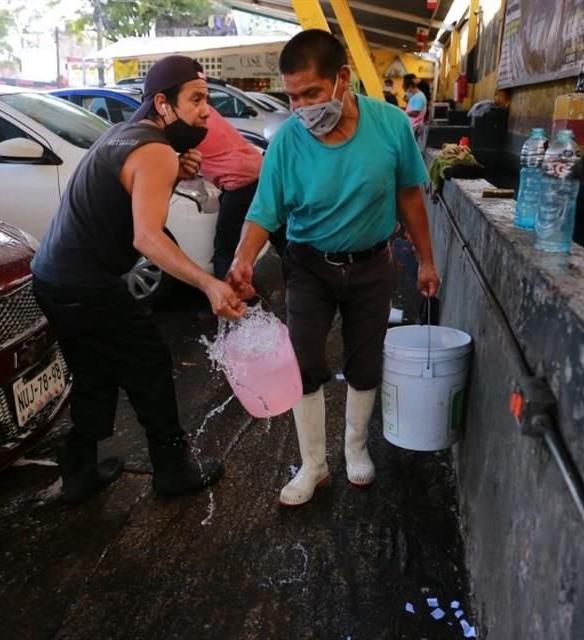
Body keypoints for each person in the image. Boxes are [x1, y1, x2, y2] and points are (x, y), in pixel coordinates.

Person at [227, 30, 441, 506]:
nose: (302, 107)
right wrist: (242, 259)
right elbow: (264, 211)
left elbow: (410, 195)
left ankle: (356, 448)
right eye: (293, 96)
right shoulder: (287, 141)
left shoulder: (390, 125)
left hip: (372, 266)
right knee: (303, 362)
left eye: (312, 93)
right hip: (309, 266)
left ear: (343, 79)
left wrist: (426, 260)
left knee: (364, 362)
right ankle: (314, 466)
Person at [31, 55, 245, 503]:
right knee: (148, 363)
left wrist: (175, 174)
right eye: (197, 99)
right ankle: (171, 469)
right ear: (163, 104)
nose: (206, 111)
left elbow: (129, 193)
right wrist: (209, 284)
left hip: (51, 278)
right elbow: (147, 237)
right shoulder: (156, 151)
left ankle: (79, 471)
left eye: (206, 99)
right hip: (86, 283)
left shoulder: (122, 135)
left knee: (94, 372)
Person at [195, 108, 285, 281]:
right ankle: (305, 283)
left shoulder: (185, 119)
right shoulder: (206, 110)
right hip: (261, 173)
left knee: (225, 250)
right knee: (281, 237)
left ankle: (231, 295)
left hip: (239, 183)